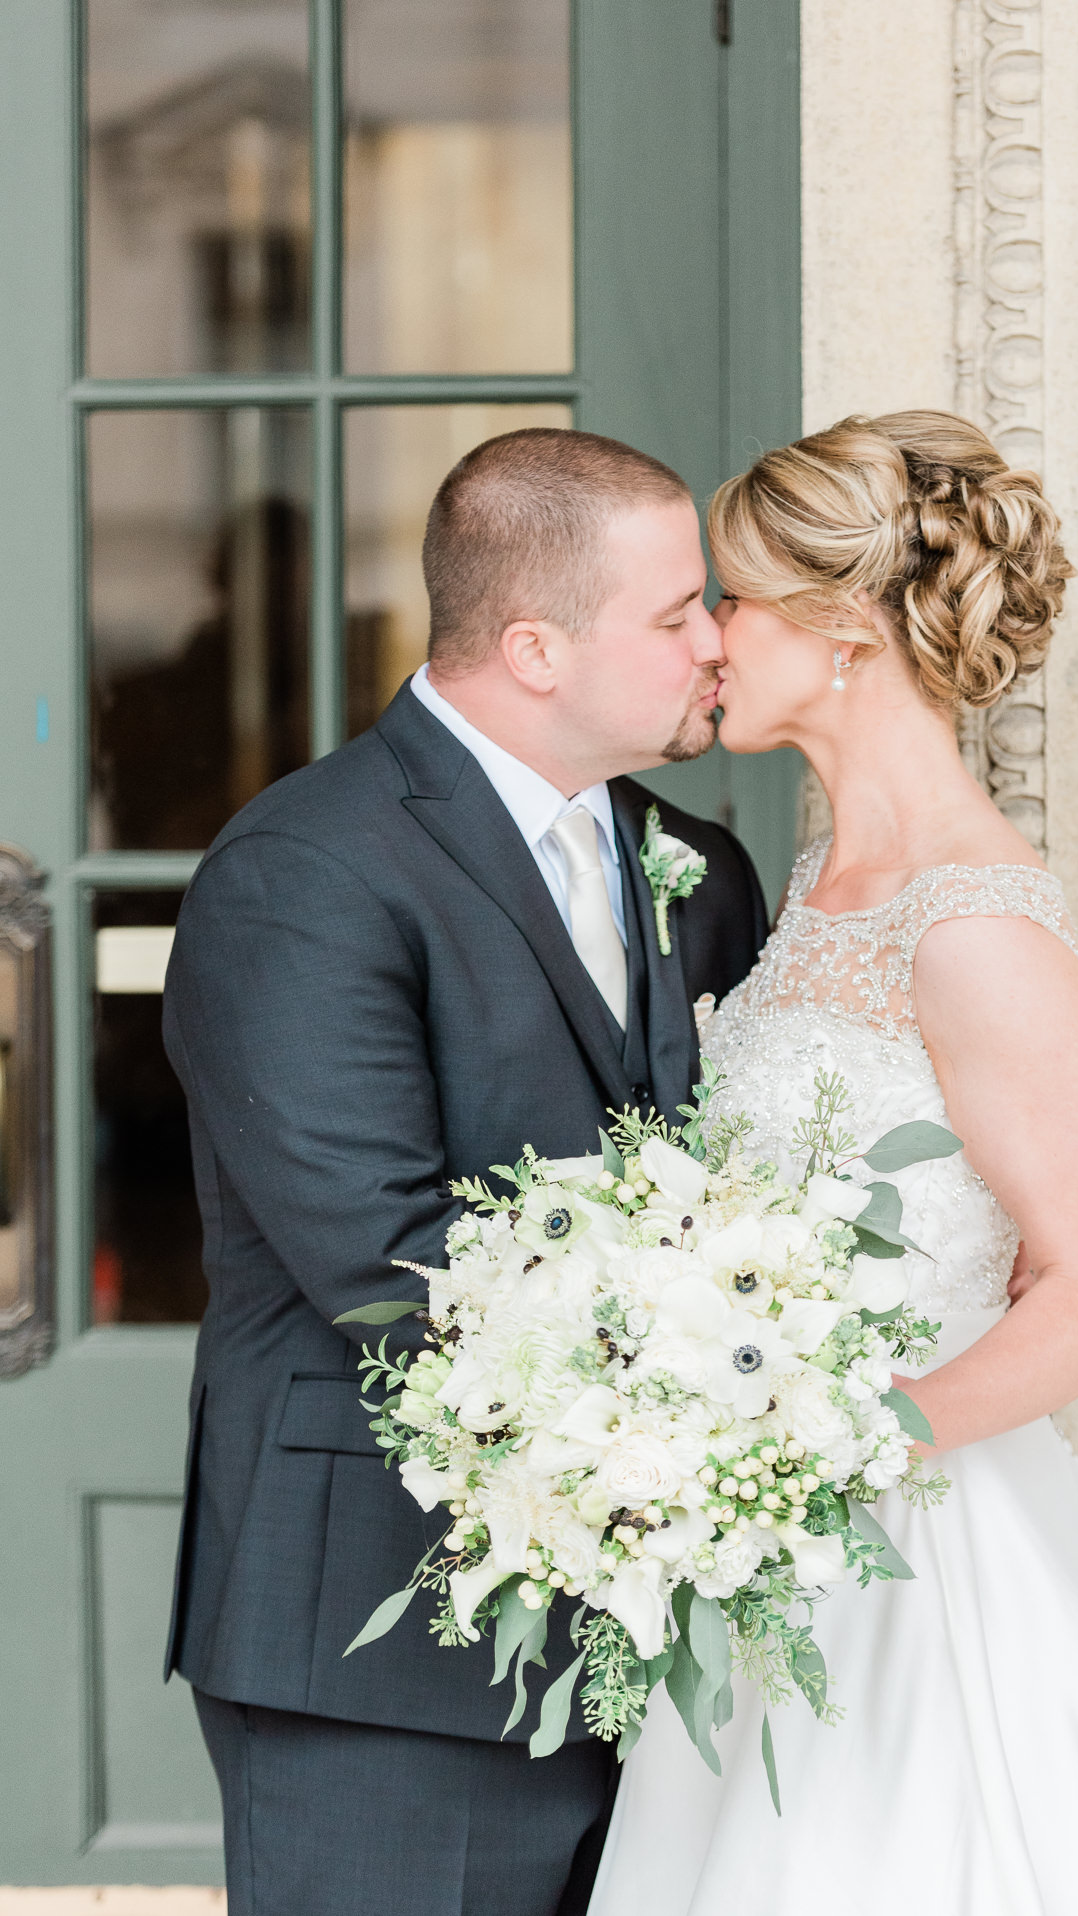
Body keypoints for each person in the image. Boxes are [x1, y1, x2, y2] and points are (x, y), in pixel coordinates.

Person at [588, 411, 1078, 1915]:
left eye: (729, 598)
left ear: (846, 627)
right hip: (781, 1547)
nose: (710, 639)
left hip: (916, 1549)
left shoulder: (971, 917)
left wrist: (834, 1451)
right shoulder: (814, 881)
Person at [161, 428, 771, 1916]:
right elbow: (387, 1257)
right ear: (535, 647)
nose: (719, 641)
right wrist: (715, 1384)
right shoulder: (305, 871)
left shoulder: (696, 866)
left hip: (658, 1628)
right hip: (383, 1627)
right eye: (680, 609)